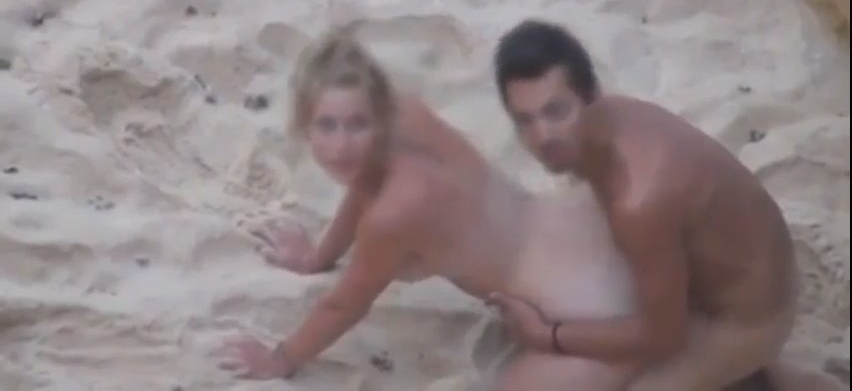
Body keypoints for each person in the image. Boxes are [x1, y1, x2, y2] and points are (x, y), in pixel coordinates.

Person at [215, 22, 644, 389]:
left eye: (356, 125)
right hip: (592, 240)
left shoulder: (396, 212)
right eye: (327, 126)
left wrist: (281, 358)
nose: (341, 146)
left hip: (589, 317)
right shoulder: (406, 116)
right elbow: (364, 182)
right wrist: (318, 257)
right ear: (303, 125)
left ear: (378, 117)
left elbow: (344, 304)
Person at [486, 19, 847, 390]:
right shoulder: (612, 120)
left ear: (591, 96)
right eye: (524, 121)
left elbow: (664, 337)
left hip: (751, 317)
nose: (542, 137)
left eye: (556, 112)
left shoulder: (637, 198)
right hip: (729, 268)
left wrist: (548, 335)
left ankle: (764, 369)